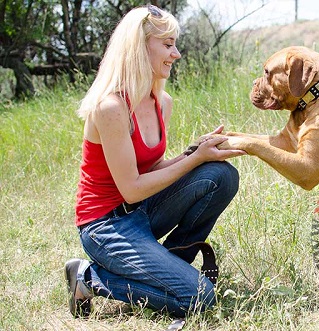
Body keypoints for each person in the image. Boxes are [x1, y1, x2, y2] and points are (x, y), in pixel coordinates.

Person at [65, 4, 245, 318]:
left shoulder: (162, 102)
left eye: (175, 44)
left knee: (221, 174)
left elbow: (151, 171)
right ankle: (86, 277)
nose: (176, 53)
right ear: (138, 48)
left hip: (142, 210)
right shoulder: (110, 107)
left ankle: (166, 263)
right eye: (167, 44)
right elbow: (132, 189)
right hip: (106, 225)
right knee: (200, 298)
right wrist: (193, 160)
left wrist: (193, 153)